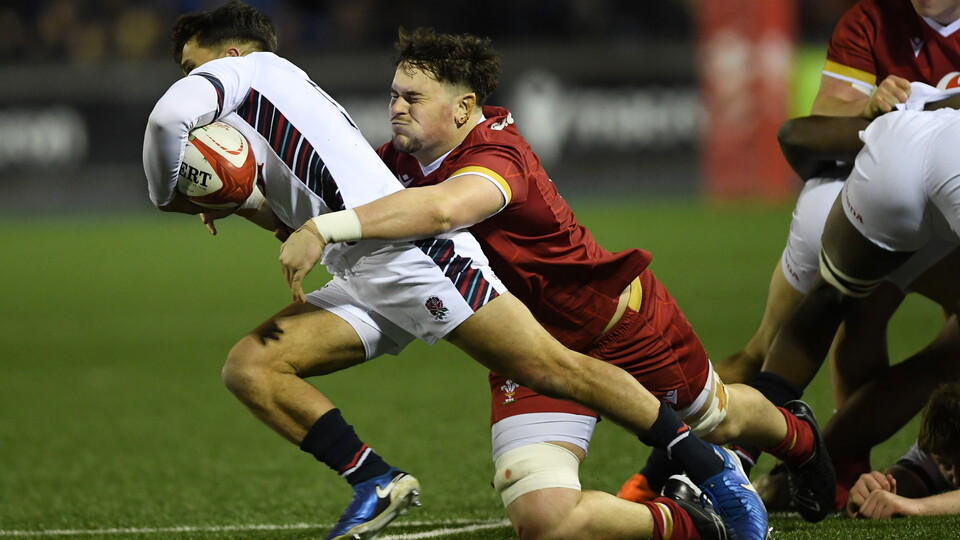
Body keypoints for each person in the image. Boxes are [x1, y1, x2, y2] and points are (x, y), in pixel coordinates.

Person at [142, 3, 758, 540]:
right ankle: (375, 481)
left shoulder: (252, 72)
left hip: (418, 260)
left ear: (228, 56)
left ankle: (713, 475)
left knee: (553, 368)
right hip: (363, 273)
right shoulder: (257, 125)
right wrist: (238, 203)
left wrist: (165, 193)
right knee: (251, 366)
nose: (189, 82)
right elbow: (286, 220)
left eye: (192, 69)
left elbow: (168, 122)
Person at [278, 26, 840, 539]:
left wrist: (324, 228)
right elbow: (325, 193)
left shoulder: (498, 154)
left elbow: (445, 208)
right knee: (543, 521)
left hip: (616, 329)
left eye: (413, 98)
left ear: (464, 106)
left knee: (716, 416)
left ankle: (801, 440)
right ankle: (692, 525)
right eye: (394, 95)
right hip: (529, 353)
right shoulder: (394, 164)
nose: (396, 108)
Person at [618, 0, 960, 510]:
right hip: (855, 189)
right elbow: (821, 121)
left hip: (873, 189)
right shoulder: (874, 19)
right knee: (896, 339)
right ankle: (817, 464)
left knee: (828, 319)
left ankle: (786, 466)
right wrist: (869, 107)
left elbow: (799, 134)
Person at [846, 382, 960, 519]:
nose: (956, 479)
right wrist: (868, 495)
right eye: (946, 465)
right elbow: (894, 489)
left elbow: (907, 505)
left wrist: (915, 507)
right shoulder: (937, 446)